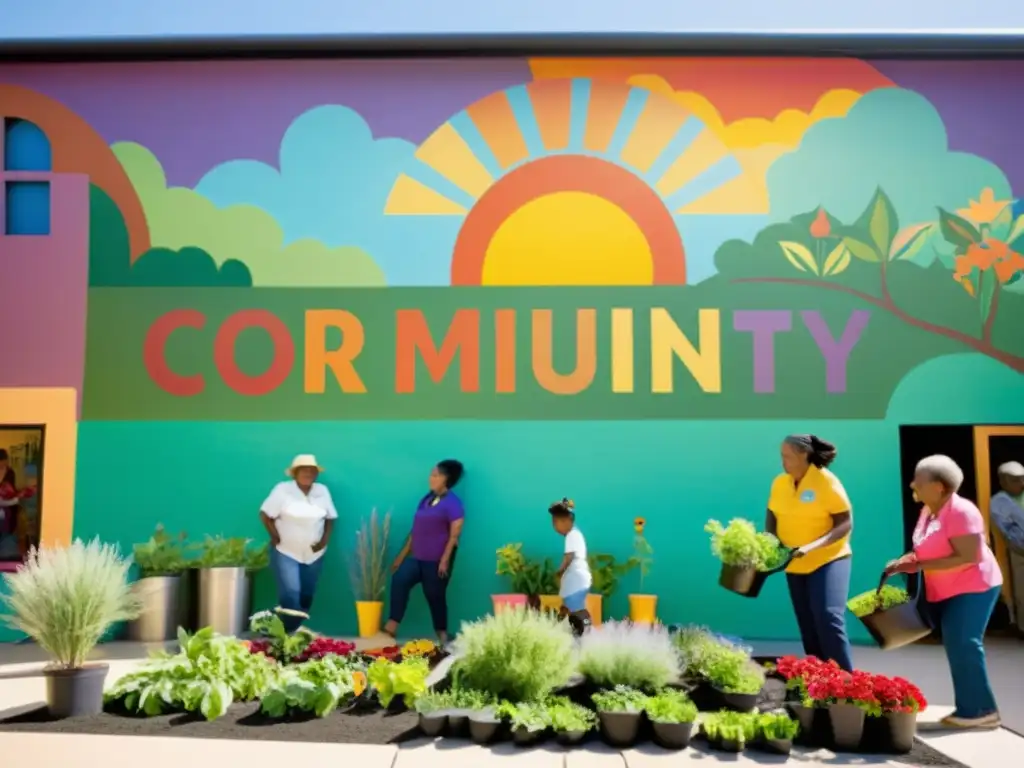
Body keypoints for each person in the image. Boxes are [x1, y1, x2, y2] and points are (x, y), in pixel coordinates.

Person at [887, 455, 1003, 729]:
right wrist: (906, 561)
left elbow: (969, 556)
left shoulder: (962, 512)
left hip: (975, 586)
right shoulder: (929, 510)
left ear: (939, 486)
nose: (913, 483)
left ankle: (981, 711)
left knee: (965, 643)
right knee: (957, 644)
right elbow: (927, 547)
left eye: (920, 479)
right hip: (949, 588)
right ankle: (972, 707)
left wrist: (919, 565)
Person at [766, 434, 855, 671]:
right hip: (794, 563)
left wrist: (812, 546)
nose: (782, 461)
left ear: (803, 455)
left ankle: (848, 683)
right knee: (808, 624)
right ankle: (821, 683)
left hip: (829, 559)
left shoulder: (826, 482)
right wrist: (771, 542)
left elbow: (845, 523)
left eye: (787, 456)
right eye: (781, 456)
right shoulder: (780, 483)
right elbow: (771, 516)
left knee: (827, 616)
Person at [385, 459, 465, 645]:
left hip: (436, 559)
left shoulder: (453, 503)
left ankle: (442, 634)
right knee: (399, 580)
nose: (431, 478)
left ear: (447, 479)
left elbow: (455, 534)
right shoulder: (426, 499)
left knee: (434, 594)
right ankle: (391, 628)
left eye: (436, 475)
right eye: (431, 474)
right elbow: (416, 530)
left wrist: (445, 559)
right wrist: (401, 556)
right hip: (416, 557)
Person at [259, 454, 338, 632]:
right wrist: (275, 537)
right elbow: (265, 515)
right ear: (295, 473)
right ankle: (287, 633)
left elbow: (330, 518)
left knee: (306, 595)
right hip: (286, 551)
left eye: (311, 470)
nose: (308, 473)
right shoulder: (282, 490)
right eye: (303, 470)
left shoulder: (322, 491)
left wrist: (324, 541)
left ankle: (284, 629)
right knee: (291, 593)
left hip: (314, 554)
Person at [549, 498, 592, 632]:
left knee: (576, 608)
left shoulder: (572, 535)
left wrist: (560, 571)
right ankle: (559, 625)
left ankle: (585, 630)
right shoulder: (575, 534)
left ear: (566, 521)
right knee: (569, 604)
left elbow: (569, 557)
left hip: (577, 579)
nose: (555, 526)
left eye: (556, 522)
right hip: (576, 579)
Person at [990, 461, 1024, 549]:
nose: (1022, 484)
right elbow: (1009, 533)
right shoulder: (999, 502)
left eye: (1023, 479)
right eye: (1015, 481)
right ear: (1002, 482)